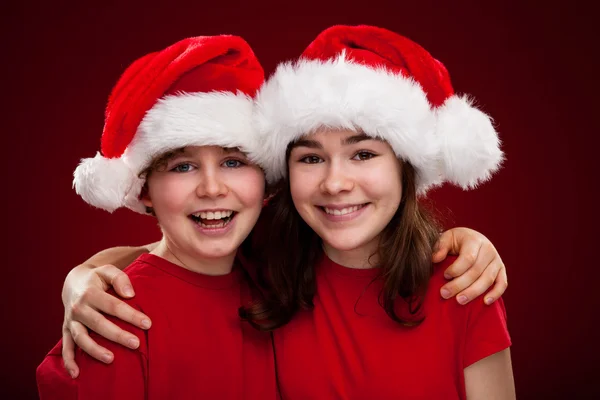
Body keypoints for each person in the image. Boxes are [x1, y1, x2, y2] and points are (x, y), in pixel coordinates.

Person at [242, 24, 514, 399]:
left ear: (406, 167)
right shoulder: (258, 267)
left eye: (364, 154)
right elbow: (171, 262)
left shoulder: (463, 285)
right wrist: (130, 267)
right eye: (311, 158)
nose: (334, 183)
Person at [36, 35, 276, 399]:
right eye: (183, 166)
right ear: (145, 190)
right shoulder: (116, 317)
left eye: (233, 162)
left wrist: (80, 273)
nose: (212, 188)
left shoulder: (277, 277)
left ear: (266, 181)